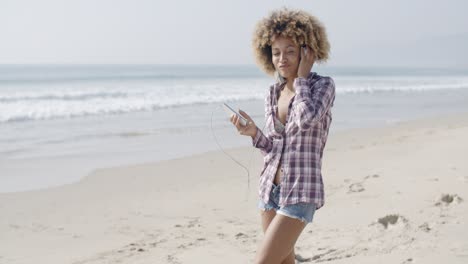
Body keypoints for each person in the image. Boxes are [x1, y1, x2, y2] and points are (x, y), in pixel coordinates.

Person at [229, 8, 336, 264]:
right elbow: (275, 148)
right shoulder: (272, 92)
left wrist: (300, 79)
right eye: (276, 52)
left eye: (290, 50)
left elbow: (307, 119)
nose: (282, 59)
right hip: (270, 190)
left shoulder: (322, 86)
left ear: (306, 51)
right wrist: (254, 133)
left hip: (301, 192)